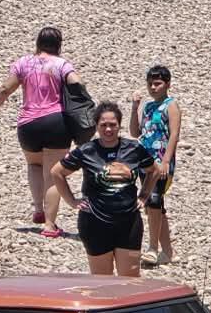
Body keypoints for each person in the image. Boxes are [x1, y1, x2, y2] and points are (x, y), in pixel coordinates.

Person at [0, 27, 84, 238]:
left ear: (38, 43)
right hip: (56, 122)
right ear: (59, 45)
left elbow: (5, 89)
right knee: (53, 174)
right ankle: (49, 225)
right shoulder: (61, 64)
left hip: (28, 124)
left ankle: (38, 209)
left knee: (34, 164)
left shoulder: (23, 63)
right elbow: (77, 82)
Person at [51, 102, 156, 277]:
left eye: (113, 125)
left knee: (129, 280)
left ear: (119, 125)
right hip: (94, 222)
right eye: (103, 125)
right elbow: (57, 172)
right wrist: (72, 201)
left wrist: (144, 194)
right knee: (102, 281)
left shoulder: (134, 148)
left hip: (128, 222)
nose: (108, 129)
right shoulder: (86, 150)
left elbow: (154, 171)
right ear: (97, 126)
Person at [130, 65, 182, 267]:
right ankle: (168, 252)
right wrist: (135, 108)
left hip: (160, 161)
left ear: (167, 84)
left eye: (158, 83)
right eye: (150, 84)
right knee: (155, 206)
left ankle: (152, 248)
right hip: (145, 161)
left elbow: (174, 134)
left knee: (153, 201)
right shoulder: (149, 106)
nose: (153, 87)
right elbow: (136, 132)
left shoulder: (171, 105)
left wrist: (166, 161)